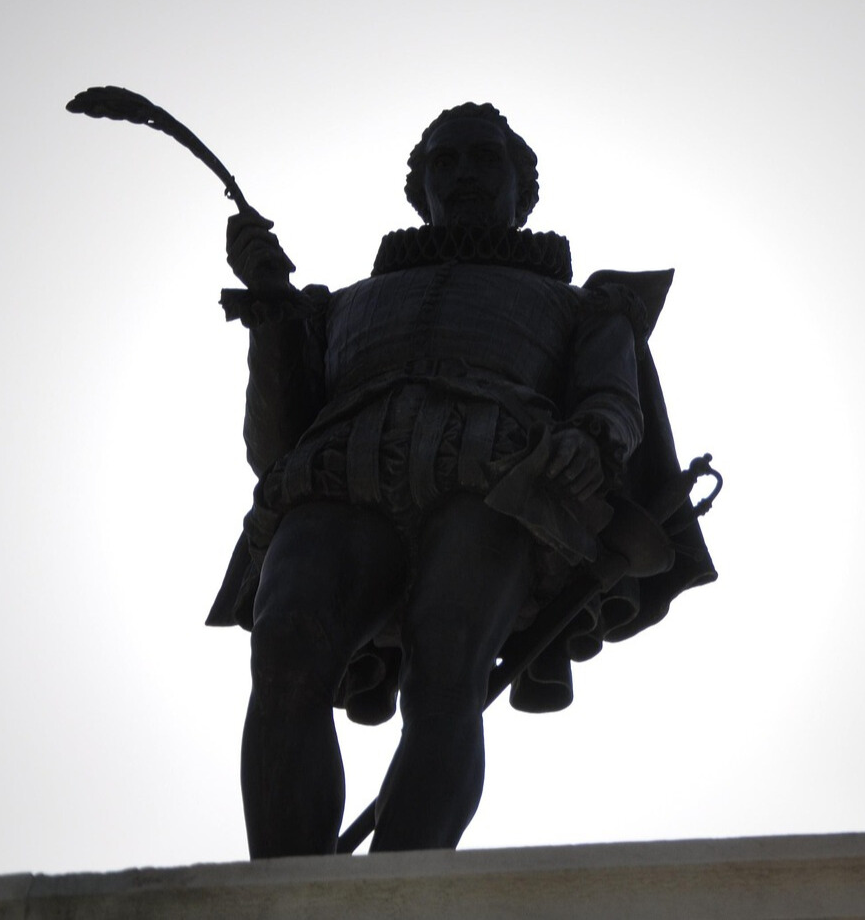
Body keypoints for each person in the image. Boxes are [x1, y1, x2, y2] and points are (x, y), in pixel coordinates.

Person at [207, 103, 714, 857]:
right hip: (341, 475)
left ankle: (399, 892)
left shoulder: (583, 304)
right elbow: (275, 443)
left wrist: (594, 437)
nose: (466, 173)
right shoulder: (340, 307)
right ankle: (284, 889)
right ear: (421, 188)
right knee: (284, 650)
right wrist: (274, 308)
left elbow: (611, 397)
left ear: (523, 188)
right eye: (447, 162)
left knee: (447, 670)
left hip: (494, 482)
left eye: (486, 158)